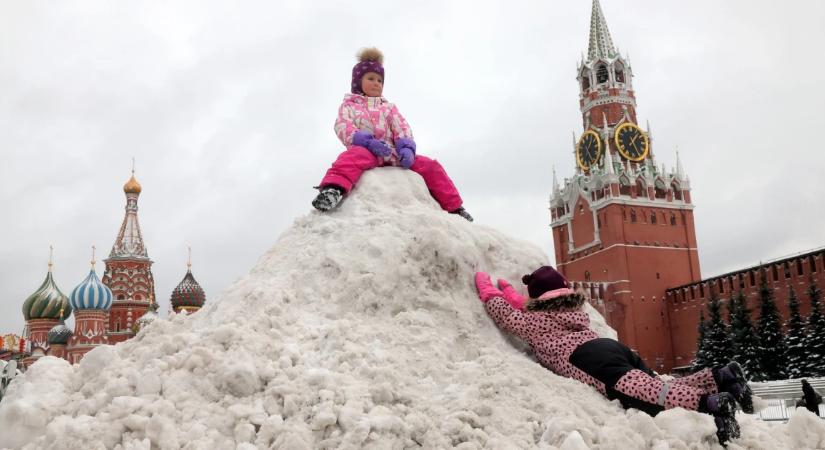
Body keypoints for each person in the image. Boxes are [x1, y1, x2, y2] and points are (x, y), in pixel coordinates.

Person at [474, 266, 754, 445]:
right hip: (607, 347)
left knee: (651, 395)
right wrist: (512, 293)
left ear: (538, 300)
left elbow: (508, 316)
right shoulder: (572, 312)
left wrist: (488, 288)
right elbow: (526, 309)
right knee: (656, 384)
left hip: (586, 359)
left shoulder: (535, 323)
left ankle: (711, 403)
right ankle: (720, 377)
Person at [311, 47, 472, 221]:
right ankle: (333, 190)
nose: (376, 83)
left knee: (430, 166)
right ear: (358, 81)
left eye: (380, 80)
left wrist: (406, 148)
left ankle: (455, 208)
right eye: (370, 78)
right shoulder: (349, 106)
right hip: (368, 151)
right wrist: (364, 141)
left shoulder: (389, 108)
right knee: (350, 158)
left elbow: (402, 127)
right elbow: (342, 125)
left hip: (394, 154)